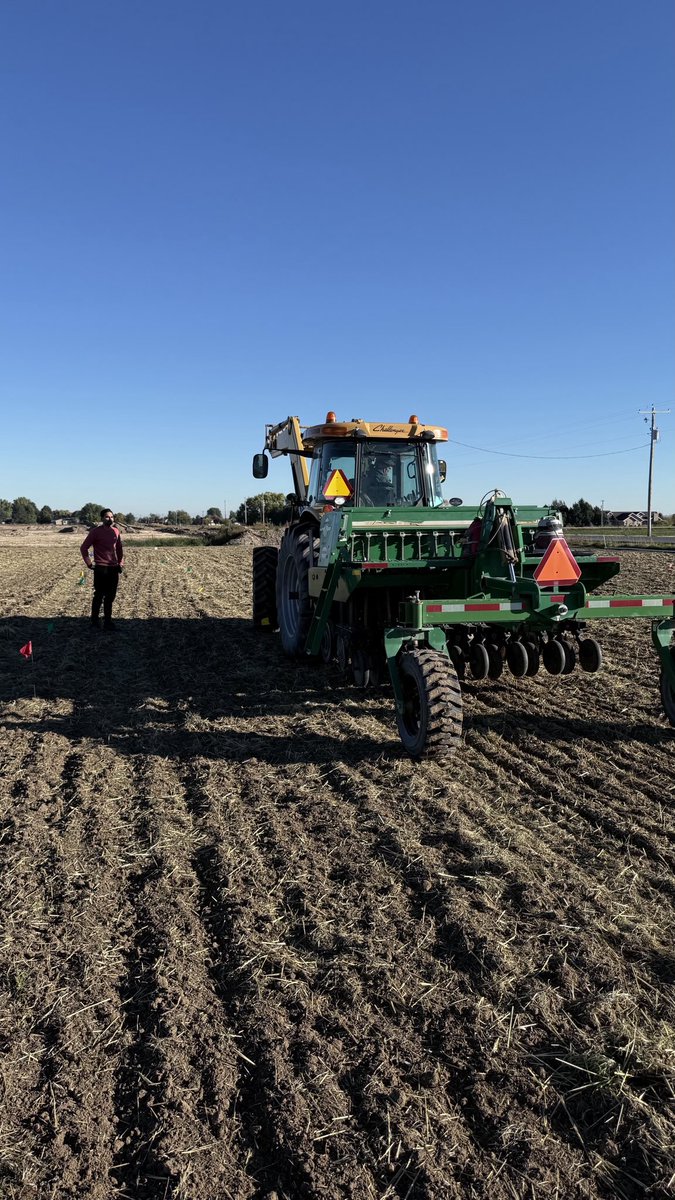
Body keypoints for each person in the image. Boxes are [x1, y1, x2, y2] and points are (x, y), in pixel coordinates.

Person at [80, 509, 124, 629]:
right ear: (102, 518)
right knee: (99, 595)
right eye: (107, 517)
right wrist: (89, 563)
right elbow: (84, 548)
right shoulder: (95, 532)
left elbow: (119, 549)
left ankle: (108, 621)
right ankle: (94, 621)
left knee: (111, 596)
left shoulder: (116, 531)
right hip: (101, 568)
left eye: (112, 517)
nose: (110, 519)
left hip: (113, 568)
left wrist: (120, 563)